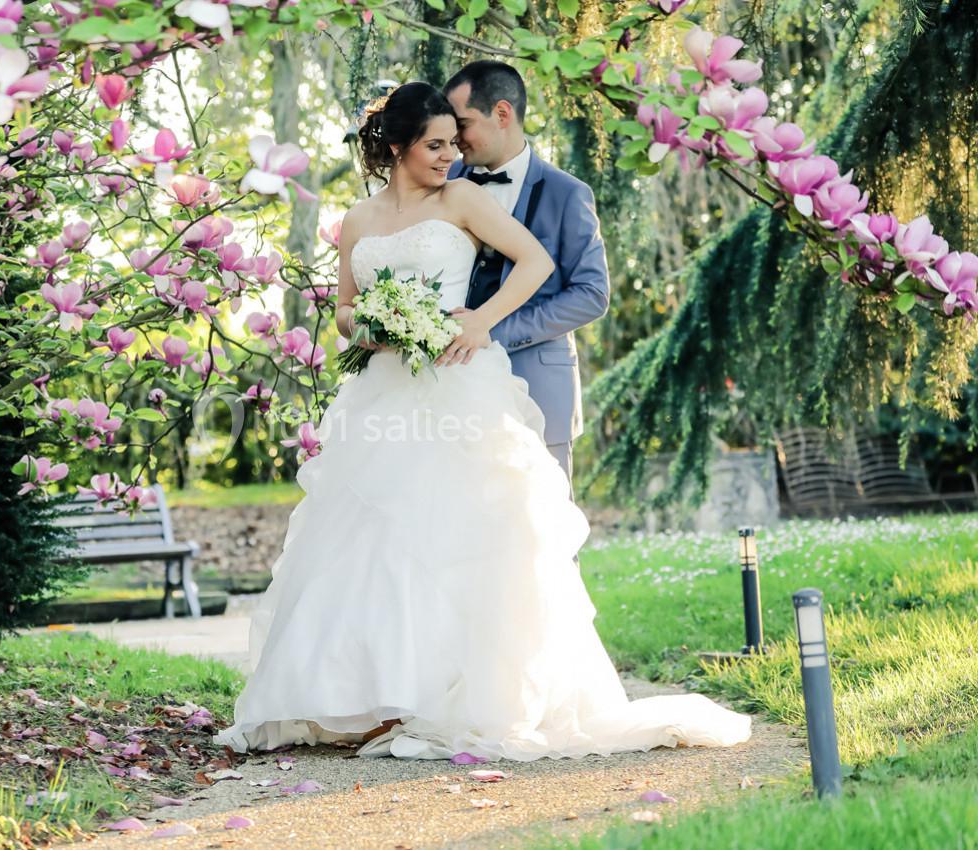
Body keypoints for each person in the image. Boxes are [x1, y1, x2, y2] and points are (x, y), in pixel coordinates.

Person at [211, 82, 751, 761]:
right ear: (398, 146)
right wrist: (372, 327)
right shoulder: (356, 220)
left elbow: (538, 263)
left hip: (456, 385)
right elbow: (343, 311)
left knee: (458, 532)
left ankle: (451, 696)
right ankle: (371, 696)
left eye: (453, 143)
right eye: (435, 145)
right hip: (383, 389)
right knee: (372, 536)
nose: (449, 156)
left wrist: (480, 320)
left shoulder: (461, 200)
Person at [444, 61, 611, 496]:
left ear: (502, 114)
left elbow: (592, 294)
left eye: (462, 124)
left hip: (538, 389)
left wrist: (493, 330)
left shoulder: (567, 193)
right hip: (450, 389)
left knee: (544, 538)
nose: (453, 139)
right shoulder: (442, 183)